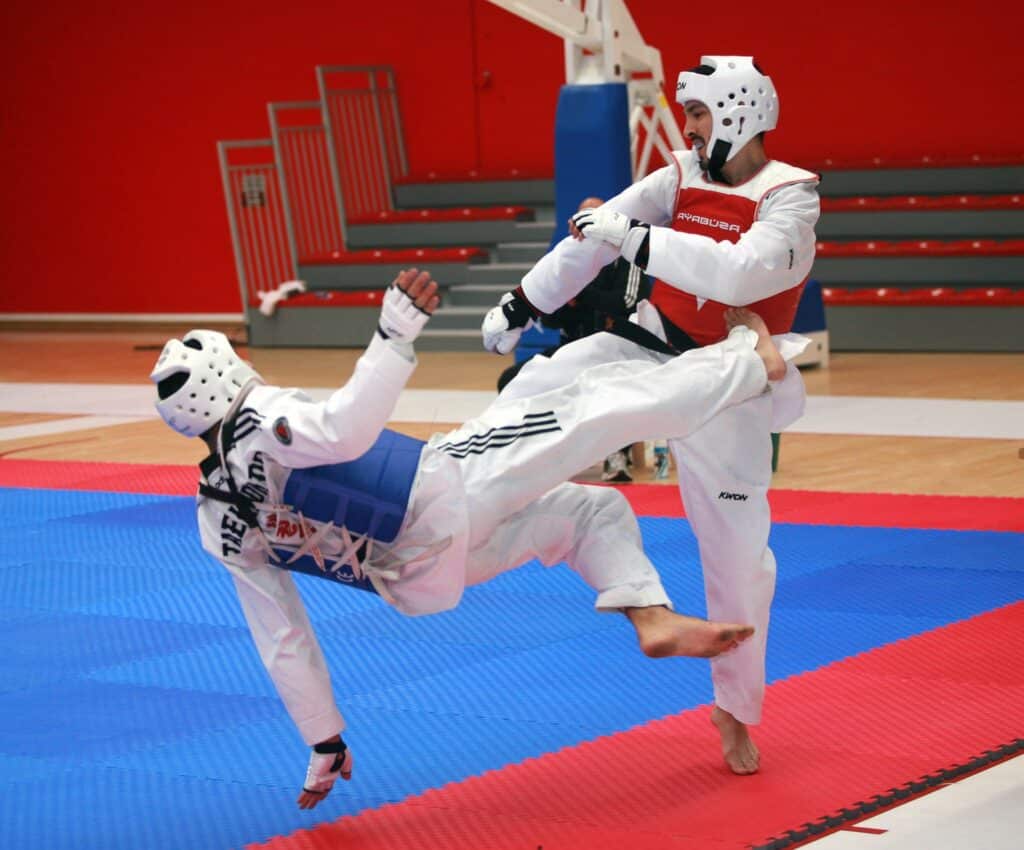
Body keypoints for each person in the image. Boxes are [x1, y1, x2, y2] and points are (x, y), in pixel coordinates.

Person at [150, 268, 789, 809]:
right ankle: (747, 362)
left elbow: (282, 634)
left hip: (414, 578)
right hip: (442, 493)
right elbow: (345, 431)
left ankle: (648, 613)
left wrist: (325, 740)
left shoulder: (218, 514)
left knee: (587, 511)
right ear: (225, 376)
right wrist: (392, 335)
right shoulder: (263, 421)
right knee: (593, 405)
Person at [481, 56, 821, 775]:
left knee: (738, 559)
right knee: (529, 392)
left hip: (728, 380)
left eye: (698, 114)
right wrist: (523, 301)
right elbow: (592, 235)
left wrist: (632, 238)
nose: (689, 128)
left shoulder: (792, 198)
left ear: (737, 111)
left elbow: (737, 273)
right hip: (646, 346)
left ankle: (734, 711)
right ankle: (445, 508)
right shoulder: (678, 176)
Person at [499, 196, 650, 482]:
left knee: (617, 387)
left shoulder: (628, 257)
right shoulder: (564, 260)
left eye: (594, 215)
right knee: (512, 380)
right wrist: (566, 301)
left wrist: (578, 295)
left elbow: (624, 301)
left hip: (615, 354)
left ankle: (617, 456)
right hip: (570, 351)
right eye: (581, 217)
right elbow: (548, 317)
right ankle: (532, 455)